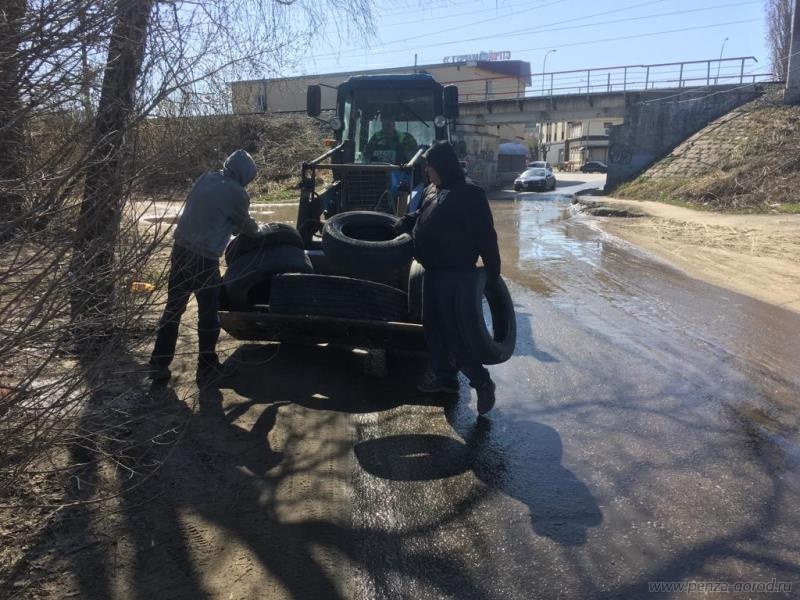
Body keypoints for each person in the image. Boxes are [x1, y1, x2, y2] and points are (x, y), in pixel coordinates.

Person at [396, 141, 501, 415]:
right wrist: (406, 221)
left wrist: (493, 275)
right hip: (432, 273)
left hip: (457, 277)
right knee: (433, 331)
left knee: (455, 336)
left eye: (429, 166)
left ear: (441, 166)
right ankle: (446, 381)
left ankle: (482, 382)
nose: (427, 171)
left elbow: (487, 237)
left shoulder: (470, 194)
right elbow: (423, 214)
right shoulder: (435, 189)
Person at [149, 149, 260, 384]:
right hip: (204, 259)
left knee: (173, 310)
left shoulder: (206, 178)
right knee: (209, 314)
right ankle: (207, 366)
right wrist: (257, 229)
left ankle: (158, 365)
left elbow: (210, 212)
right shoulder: (237, 193)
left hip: (180, 252)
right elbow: (248, 229)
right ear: (245, 175)